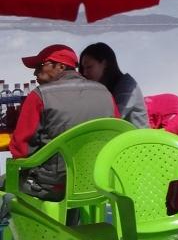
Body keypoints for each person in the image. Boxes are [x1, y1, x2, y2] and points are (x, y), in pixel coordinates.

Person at [9, 44, 118, 198]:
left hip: (52, 186)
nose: (35, 72)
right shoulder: (105, 92)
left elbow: (21, 150)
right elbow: (117, 135)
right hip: (98, 183)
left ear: (61, 66)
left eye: (40, 66)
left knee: (4, 182)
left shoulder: (39, 96)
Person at [79, 43, 148, 128]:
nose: (85, 73)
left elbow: (113, 118)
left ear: (105, 64)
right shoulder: (104, 88)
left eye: (89, 67)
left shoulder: (126, 85)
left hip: (138, 135)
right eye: (83, 68)